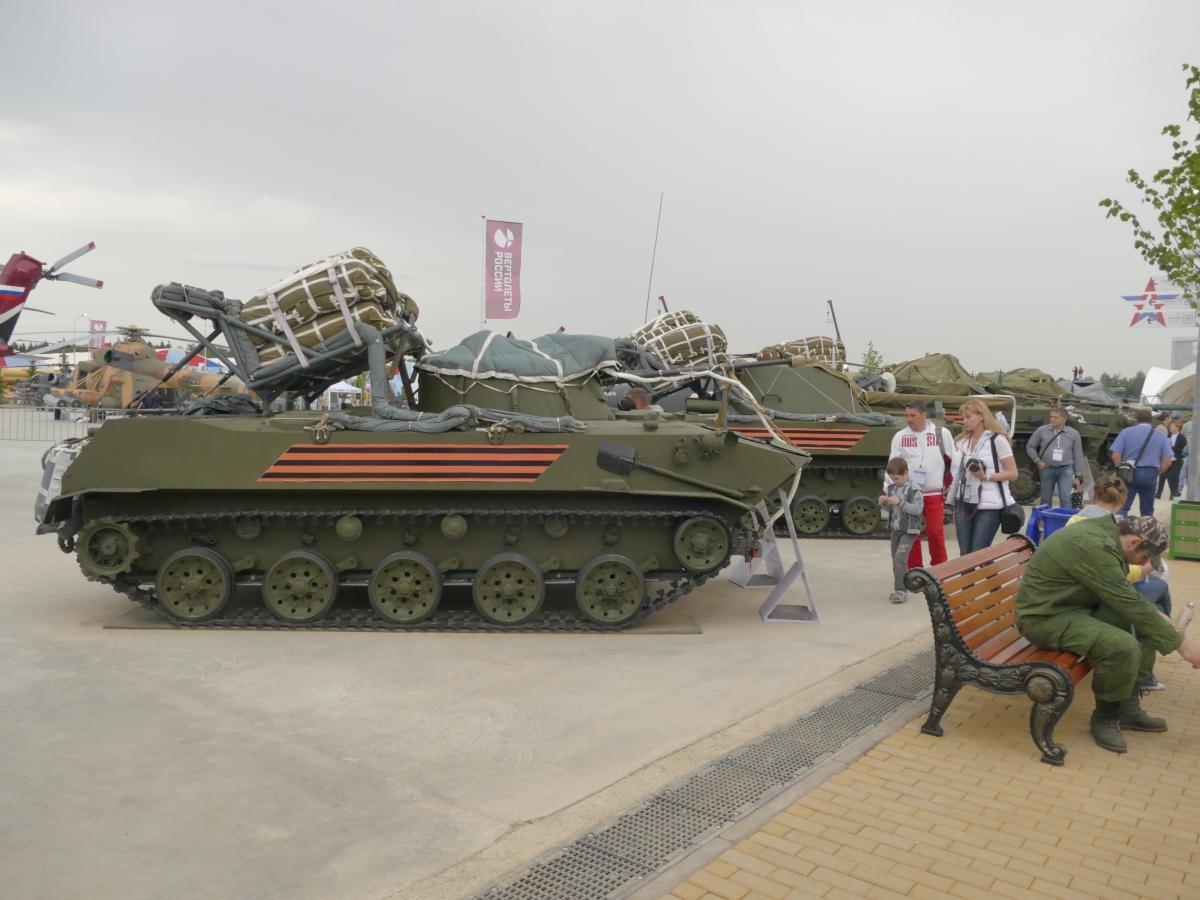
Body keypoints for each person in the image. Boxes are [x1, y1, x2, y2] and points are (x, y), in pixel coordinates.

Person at [1015, 515, 1200, 754]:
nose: (1144, 564)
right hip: (1044, 618)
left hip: (1075, 606)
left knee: (1145, 625)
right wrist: (1184, 646)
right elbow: (1126, 600)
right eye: (1145, 558)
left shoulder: (1107, 537)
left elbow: (1124, 597)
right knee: (1121, 647)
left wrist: (1161, 622)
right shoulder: (1093, 545)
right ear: (1134, 542)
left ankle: (1128, 709)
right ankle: (1105, 717)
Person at [1068, 474, 1173, 691]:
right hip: (1094, 598)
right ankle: (1144, 672)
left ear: (1092, 494)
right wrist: (1144, 569)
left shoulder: (1075, 520)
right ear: (1123, 500)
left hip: (1091, 591)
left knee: (1157, 600)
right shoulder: (1113, 526)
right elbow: (1114, 575)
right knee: (1158, 594)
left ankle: (1146, 664)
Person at [884, 400, 954, 569]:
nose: (908, 419)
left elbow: (954, 462)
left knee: (935, 533)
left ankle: (940, 569)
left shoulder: (941, 434)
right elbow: (892, 464)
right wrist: (889, 489)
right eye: (907, 415)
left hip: (934, 492)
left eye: (913, 415)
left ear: (924, 415)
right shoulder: (900, 436)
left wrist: (951, 490)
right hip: (909, 493)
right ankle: (915, 570)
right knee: (911, 534)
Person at [947, 398, 1020, 555]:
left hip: (988, 505)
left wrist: (985, 475)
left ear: (981, 416)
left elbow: (1013, 473)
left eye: (968, 417)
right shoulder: (962, 441)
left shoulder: (997, 440)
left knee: (978, 553)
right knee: (965, 553)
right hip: (963, 501)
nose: (964, 421)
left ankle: (985, 570)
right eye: (963, 418)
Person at [878, 457, 925, 604]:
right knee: (896, 560)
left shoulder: (914, 490)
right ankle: (902, 586)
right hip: (895, 529)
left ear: (906, 473)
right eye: (892, 478)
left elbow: (917, 510)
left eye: (897, 478)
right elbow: (889, 509)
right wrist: (883, 503)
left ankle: (901, 590)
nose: (894, 481)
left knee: (900, 558)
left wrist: (901, 503)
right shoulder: (891, 488)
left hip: (909, 530)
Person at [1110, 409, 1175, 516]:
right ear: (1151, 420)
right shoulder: (1160, 435)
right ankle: (1146, 525)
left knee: (1122, 508)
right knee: (1147, 511)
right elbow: (1168, 461)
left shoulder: (1126, 432)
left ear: (1136, 420)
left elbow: (1115, 456)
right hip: (1150, 473)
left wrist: (1121, 469)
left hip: (1129, 473)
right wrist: (1157, 473)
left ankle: (1121, 525)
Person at [1026, 407, 1085, 507]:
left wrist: (1078, 476)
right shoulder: (1042, 430)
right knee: (1045, 499)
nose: (1052, 419)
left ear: (1064, 419)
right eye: (1051, 417)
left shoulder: (1074, 434)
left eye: (1055, 417)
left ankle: (1065, 517)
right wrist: (1037, 461)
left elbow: (1078, 454)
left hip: (1065, 469)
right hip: (1046, 469)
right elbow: (1030, 446)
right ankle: (1045, 517)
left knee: (1066, 498)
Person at [1157, 418, 1186, 500]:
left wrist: (1170, 448)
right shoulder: (1168, 435)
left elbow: (1180, 449)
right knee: (1162, 475)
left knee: (1173, 476)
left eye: (1173, 426)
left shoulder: (1182, 437)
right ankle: (1158, 493)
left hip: (1176, 460)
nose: (1170, 427)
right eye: (1170, 426)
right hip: (1167, 459)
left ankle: (1173, 494)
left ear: (1178, 427)